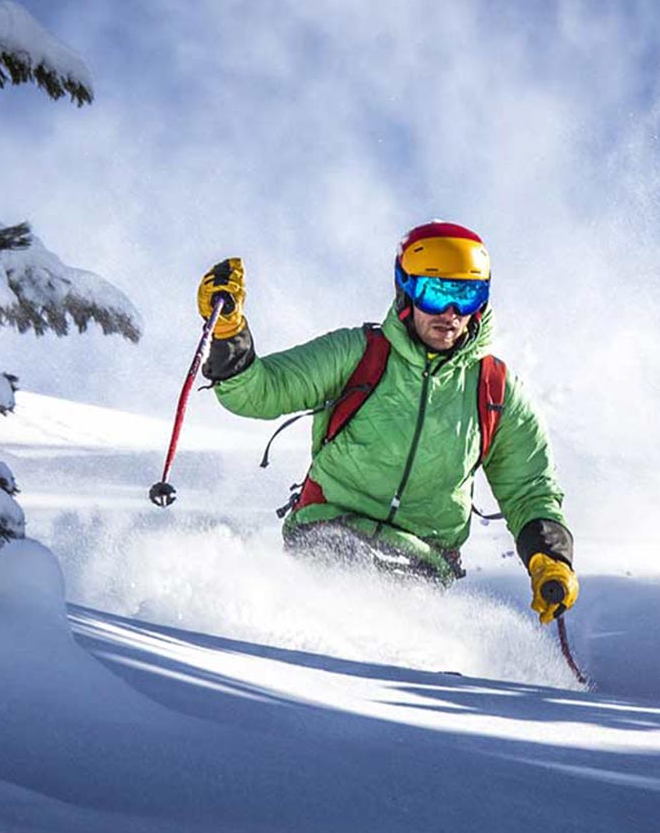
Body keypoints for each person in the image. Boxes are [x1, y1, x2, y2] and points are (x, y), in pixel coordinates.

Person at [196, 221, 578, 624]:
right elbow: (258, 391)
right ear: (406, 291)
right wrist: (228, 332)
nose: (450, 313)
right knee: (333, 600)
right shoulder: (359, 354)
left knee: (401, 640)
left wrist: (550, 559)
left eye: (466, 295)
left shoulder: (494, 391)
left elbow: (530, 491)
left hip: (420, 564)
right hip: (328, 532)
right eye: (435, 294)